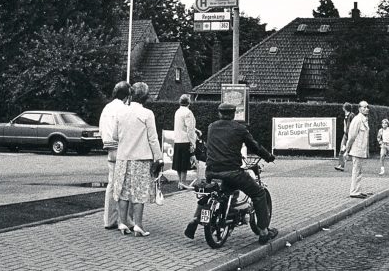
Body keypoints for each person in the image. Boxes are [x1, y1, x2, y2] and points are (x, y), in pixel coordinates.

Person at [184, 102, 278, 245]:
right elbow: (255, 146)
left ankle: (196, 219)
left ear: (219, 113)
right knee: (258, 193)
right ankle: (264, 231)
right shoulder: (240, 129)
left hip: (211, 171)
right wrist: (268, 156)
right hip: (232, 172)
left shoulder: (211, 127)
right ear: (233, 114)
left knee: (211, 192)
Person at [112, 82, 164, 237]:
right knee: (139, 192)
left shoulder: (121, 112)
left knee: (123, 190)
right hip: (141, 158)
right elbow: (153, 139)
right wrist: (159, 158)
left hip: (123, 158)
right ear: (145, 97)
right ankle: (138, 225)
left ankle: (122, 223)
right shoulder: (147, 114)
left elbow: (114, 136)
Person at [99, 81, 132, 230]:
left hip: (109, 149)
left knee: (112, 184)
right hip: (121, 149)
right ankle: (123, 220)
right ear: (127, 96)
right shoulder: (124, 109)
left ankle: (109, 219)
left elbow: (101, 128)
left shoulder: (107, 108)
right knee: (124, 186)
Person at [344, 101, 371, 198]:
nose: (366, 109)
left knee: (359, 171)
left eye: (367, 107)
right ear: (359, 108)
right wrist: (347, 150)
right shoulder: (357, 119)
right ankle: (354, 191)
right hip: (356, 149)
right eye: (364, 107)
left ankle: (357, 190)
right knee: (356, 170)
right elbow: (351, 136)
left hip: (360, 150)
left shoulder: (364, 119)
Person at [172, 94, 198, 189]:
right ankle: (183, 182)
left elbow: (182, 125)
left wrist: (195, 129)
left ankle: (180, 182)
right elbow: (189, 129)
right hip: (185, 140)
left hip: (177, 140)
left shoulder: (177, 111)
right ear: (189, 102)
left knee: (178, 163)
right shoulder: (188, 112)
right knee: (184, 163)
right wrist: (193, 142)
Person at [334, 102, 355, 172]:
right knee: (341, 149)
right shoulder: (346, 116)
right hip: (345, 135)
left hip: (350, 136)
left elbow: (354, 125)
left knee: (349, 152)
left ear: (345, 108)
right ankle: (341, 165)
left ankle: (343, 165)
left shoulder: (351, 115)